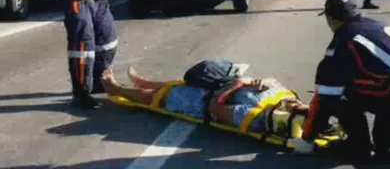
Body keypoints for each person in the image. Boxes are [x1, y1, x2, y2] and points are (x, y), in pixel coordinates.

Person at [292, 0, 390, 163]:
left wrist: (308, 137)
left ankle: (358, 144)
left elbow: (324, 96)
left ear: (331, 19)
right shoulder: (377, 26)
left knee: (341, 92)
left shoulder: (344, 40)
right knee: (385, 143)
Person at [100, 66, 313, 137]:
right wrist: (262, 81)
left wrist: (236, 85)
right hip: (223, 87)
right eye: (297, 103)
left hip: (204, 102)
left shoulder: (254, 117)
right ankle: (143, 81)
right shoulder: (284, 97)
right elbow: (274, 82)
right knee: (186, 80)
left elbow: (215, 108)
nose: (293, 103)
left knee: (164, 97)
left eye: (295, 107)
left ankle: (117, 89)